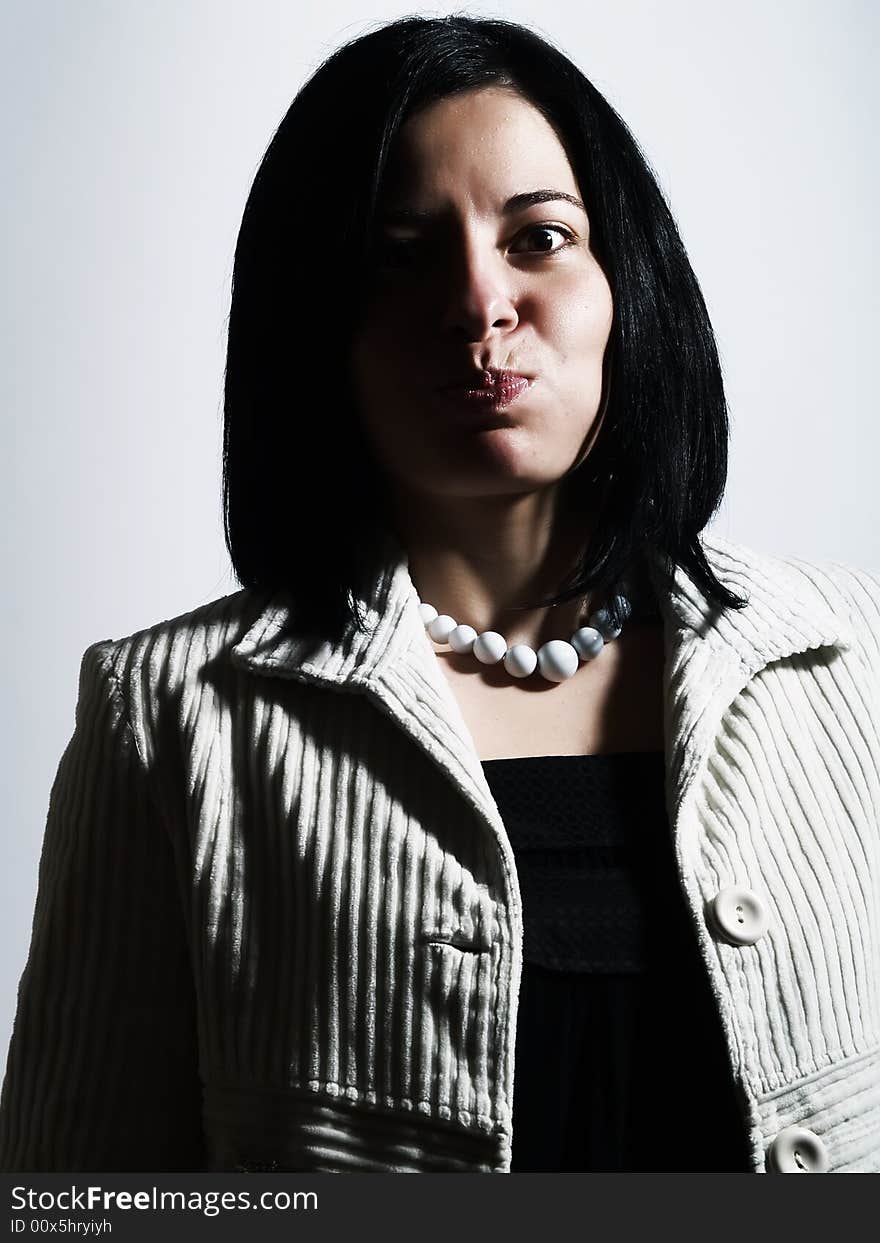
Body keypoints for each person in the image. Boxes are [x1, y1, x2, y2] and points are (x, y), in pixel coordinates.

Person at [2, 13, 879, 1175]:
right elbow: (83, 1196)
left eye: (539, 237)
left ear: (627, 280)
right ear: (317, 327)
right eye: (399, 253)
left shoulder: (848, 656)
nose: (479, 305)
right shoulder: (172, 717)